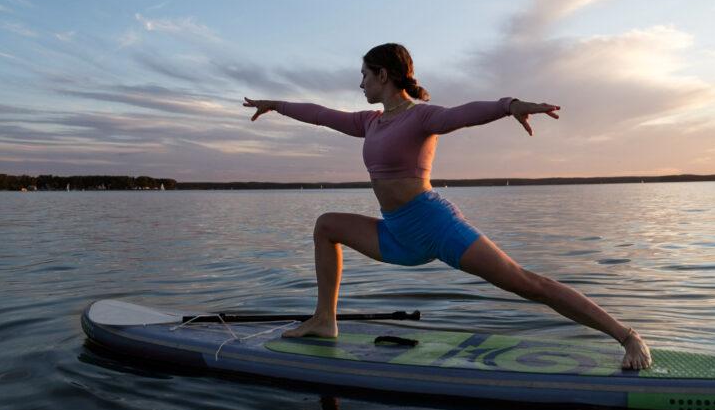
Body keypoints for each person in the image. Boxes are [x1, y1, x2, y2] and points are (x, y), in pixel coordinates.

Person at [243, 43, 652, 370]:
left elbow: (463, 115)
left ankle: (627, 335)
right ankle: (324, 320)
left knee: (527, 284)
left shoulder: (420, 118)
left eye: (364, 75)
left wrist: (508, 105)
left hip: (435, 225)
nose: (361, 84)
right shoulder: (371, 122)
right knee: (326, 225)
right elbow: (321, 115)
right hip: (396, 234)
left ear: (383, 75)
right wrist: (278, 105)